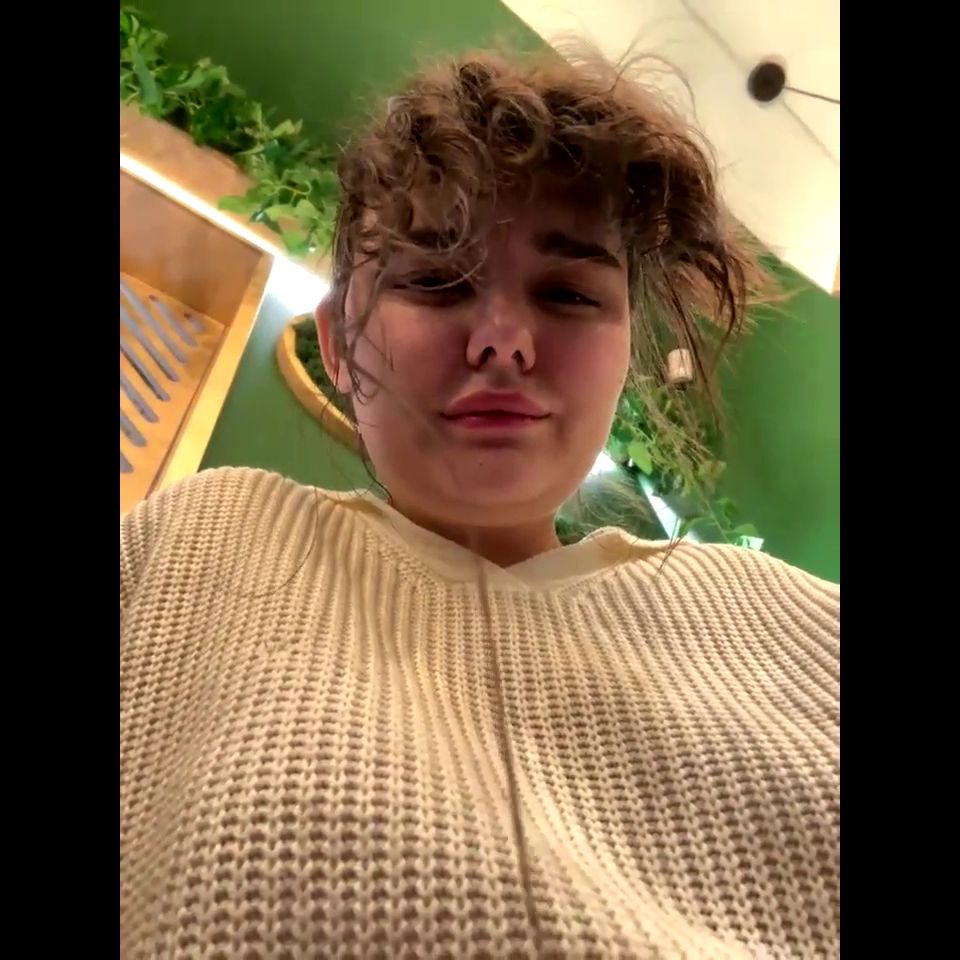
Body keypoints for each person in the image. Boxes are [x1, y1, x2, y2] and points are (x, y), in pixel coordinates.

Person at [120, 48, 839, 959]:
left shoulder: (800, 632)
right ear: (338, 343)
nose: (504, 342)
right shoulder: (199, 544)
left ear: (625, 354)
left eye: (568, 293)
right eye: (435, 280)